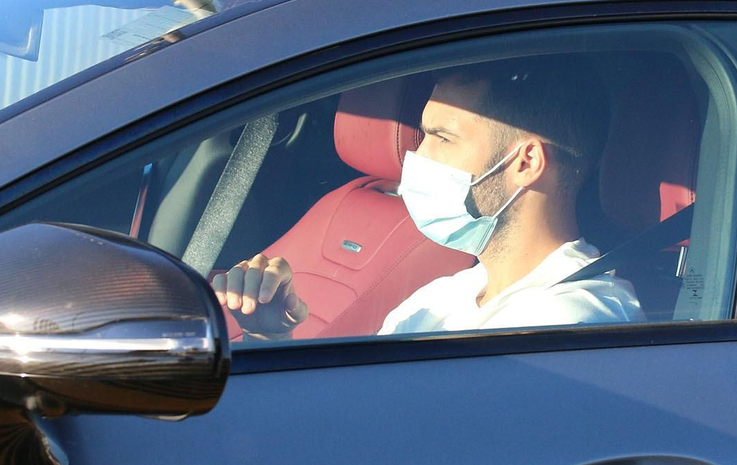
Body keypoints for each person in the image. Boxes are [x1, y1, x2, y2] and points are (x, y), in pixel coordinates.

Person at [212, 59, 643, 339]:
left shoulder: (570, 326)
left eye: (442, 137)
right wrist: (271, 335)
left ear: (525, 162)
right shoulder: (452, 294)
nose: (416, 158)